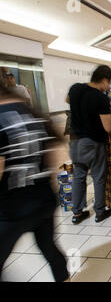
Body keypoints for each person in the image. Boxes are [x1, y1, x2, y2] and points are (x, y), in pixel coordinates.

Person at [0, 78, 69, 282]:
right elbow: (55, 155)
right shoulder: (29, 111)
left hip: (11, 209)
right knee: (51, 251)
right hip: (44, 202)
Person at [67, 65, 111, 224]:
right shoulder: (101, 98)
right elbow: (108, 127)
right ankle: (100, 212)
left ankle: (77, 213)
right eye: (108, 83)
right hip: (92, 143)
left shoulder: (75, 89)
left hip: (74, 142)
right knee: (98, 177)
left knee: (79, 176)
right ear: (103, 80)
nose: (108, 87)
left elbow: (67, 99)